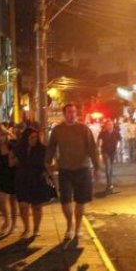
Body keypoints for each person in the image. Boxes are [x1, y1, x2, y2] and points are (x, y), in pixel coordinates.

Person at [46, 103, 100, 241]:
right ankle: (69, 225)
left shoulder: (83, 129)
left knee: (81, 200)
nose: (72, 114)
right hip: (65, 169)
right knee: (65, 200)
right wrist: (47, 162)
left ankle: (78, 228)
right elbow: (51, 147)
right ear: (64, 114)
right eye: (69, 112)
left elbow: (92, 148)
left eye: (74, 112)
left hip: (82, 168)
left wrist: (96, 166)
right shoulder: (58, 130)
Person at [14, 127, 54, 237]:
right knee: (23, 205)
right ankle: (26, 228)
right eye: (32, 137)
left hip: (37, 179)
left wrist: (48, 172)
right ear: (26, 138)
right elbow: (13, 161)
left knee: (37, 206)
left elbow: (49, 163)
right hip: (22, 179)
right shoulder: (19, 149)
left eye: (36, 137)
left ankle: (36, 229)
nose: (34, 139)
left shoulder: (42, 149)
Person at [0, 126, 18, 234]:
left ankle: (14, 223)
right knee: (1, 200)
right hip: (1, 175)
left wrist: (9, 133)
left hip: (13, 174)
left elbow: (18, 142)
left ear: (6, 135)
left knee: (13, 201)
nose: (0, 138)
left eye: (2, 135)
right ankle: (7, 220)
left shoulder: (12, 145)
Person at [97, 120, 122, 191]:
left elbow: (120, 140)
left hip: (113, 152)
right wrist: (98, 149)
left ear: (113, 125)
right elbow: (99, 141)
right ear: (105, 126)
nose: (110, 126)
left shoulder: (116, 133)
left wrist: (118, 148)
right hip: (105, 152)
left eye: (111, 124)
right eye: (108, 124)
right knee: (108, 167)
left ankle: (109, 182)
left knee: (110, 167)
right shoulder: (102, 133)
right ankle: (109, 183)